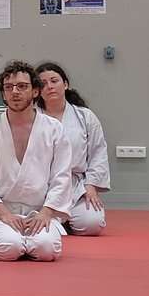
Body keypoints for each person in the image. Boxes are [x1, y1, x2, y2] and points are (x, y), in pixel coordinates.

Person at [0, 61, 73, 262]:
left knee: (47, 250)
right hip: (2, 211)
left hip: (40, 212)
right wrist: (3, 214)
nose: (15, 92)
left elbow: (62, 176)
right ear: (3, 93)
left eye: (22, 86)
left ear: (35, 91)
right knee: (9, 247)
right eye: (9, 87)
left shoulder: (54, 129)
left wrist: (46, 212)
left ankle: (27, 239)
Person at [35, 61, 109, 235]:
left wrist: (91, 185)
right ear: (37, 90)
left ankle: (66, 219)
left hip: (75, 185)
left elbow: (98, 152)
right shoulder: (32, 116)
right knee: (37, 227)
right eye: (43, 83)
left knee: (92, 224)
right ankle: (58, 219)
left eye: (54, 81)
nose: (50, 87)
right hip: (40, 186)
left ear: (65, 84)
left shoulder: (84, 116)